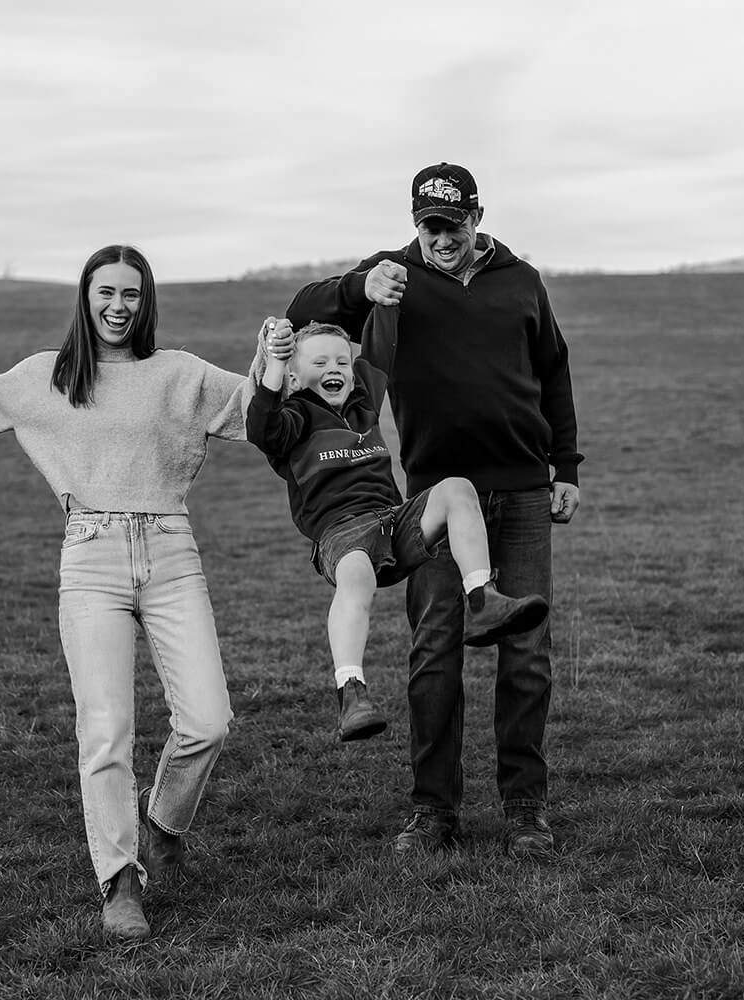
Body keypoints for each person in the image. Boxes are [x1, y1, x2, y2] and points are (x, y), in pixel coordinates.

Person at [0, 244, 252, 941]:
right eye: (106, 292)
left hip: (170, 548)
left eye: (131, 293)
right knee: (105, 731)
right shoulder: (48, 375)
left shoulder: (180, 374)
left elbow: (259, 408)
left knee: (209, 720)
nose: (118, 306)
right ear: (86, 297)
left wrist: (280, 353)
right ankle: (119, 880)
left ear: (146, 300)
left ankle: (163, 826)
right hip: (91, 553)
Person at [288, 163, 583, 859]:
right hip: (434, 499)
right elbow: (303, 312)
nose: (440, 237)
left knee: (527, 655)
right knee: (434, 654)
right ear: (415, 221)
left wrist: (565, 468)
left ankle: (524, 809)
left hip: (523, 492)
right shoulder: (394, 274)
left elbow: (555, 372)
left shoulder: (522, 281)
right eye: (428, 224)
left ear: (477, 217)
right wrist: (358, 287)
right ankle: (434, 812)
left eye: (453, 223)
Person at [246, 317, 548, 744]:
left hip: (393, 521)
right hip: (341, 534)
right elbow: (260, 426)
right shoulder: (292, 418)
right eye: (319, 362)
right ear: (295, 375)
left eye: (341, 361)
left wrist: (387, 293)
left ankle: (482, 602)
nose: (335, 368)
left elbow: (381, 342)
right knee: (356, 577)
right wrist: (275, 362)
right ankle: (352, 694)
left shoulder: (362, 401)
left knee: (457, 488)